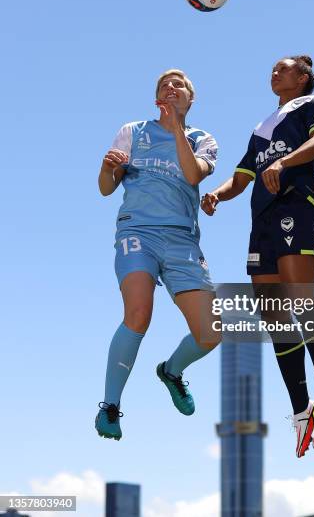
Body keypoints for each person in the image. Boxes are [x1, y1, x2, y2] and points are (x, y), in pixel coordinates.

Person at [201, 55, 314, 457]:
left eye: (282, 68)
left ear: (302, 78)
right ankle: (302, 411)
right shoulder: (260, 127)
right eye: (272, 69)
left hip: (295, 208)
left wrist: (285, 161)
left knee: (301, 301)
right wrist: (218, 193)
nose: (274, 73)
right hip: (261, 221)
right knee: (273, 313)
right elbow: (243, 175)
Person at [95, 69, 220, 440]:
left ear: (190, 98)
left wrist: (176, 128)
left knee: (211, 333)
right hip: (138, 232)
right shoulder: (132, 132)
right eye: (164, 84)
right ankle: (111, 407)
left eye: (178, 84)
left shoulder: (203, 139)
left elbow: (194, 176)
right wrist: (107, 169)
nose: (170, 87)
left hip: (183, 241)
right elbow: (105, 188)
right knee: (138, 312)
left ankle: (171, 371)